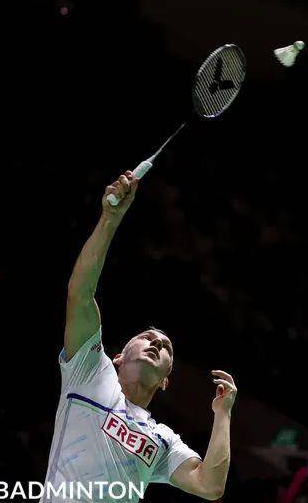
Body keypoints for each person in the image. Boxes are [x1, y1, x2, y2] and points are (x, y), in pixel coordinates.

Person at [43, 171, 237, 501]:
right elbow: (81, 292)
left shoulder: (162, 441)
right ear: (117, 356)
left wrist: (223, 414)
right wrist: (109, 218)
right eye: (147, 337)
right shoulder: (88, 371)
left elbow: (210, 485)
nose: (157, 342)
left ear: (165, 381)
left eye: (166, 347)